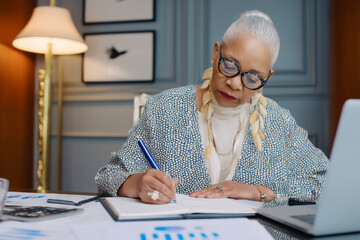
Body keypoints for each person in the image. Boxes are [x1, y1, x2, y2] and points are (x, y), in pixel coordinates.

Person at [95, 10, 329, 205]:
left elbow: (326, 183)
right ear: (216, 52)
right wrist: (136, 184)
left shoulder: (278, 121)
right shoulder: (164, 108)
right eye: (230, 65)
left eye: (253, 78)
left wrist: (258, 191)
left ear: (268, 77)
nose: (235, 83)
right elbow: (109, 177)